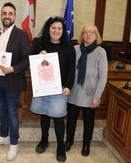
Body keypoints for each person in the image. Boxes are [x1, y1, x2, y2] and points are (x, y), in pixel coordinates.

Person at [0, 2, 31, 161]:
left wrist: (13, 68)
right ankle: (3, 136)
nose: (7, 16)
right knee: (2, 110)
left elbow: (27, 59)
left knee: (12, 112)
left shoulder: (21, 34)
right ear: (1, 15)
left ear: (14, 16)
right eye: (4, 13)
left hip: (12, 80)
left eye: (10, 13)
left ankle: (14, 143)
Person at [30, 16, 76, 162]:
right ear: (48, 29)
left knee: (58, 117)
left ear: (63, 31)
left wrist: (68, 86)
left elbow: (71, 70)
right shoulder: (39, 43)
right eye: (53, 27)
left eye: (59, 28)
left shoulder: (68, 47)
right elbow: (31, 63)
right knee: (44, 114)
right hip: (43, 87)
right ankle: (44, 140)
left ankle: (60, 147)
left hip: (59, 88)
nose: (56, 30)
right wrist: (38, 56)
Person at [65, 24, 108, 156]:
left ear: (96, 36)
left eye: (91, 32)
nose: (88, 35)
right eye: (85, 32)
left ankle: (86, 144)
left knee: (88, 121)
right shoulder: (75, 49)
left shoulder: (101, 52)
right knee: (71, 119)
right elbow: (67, 69)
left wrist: (97, 96)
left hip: (90, 94)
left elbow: (103, 77)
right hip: (74, 92)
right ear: (82, 35)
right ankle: (69, 140)